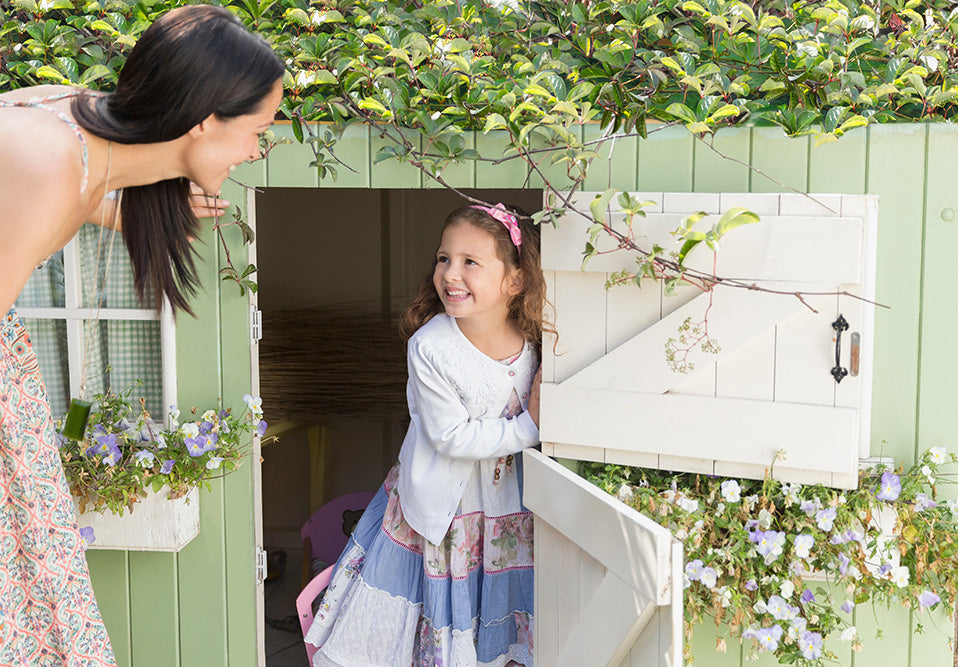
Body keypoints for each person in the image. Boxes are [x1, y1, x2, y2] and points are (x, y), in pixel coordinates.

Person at [0, 5, 283, 663]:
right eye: (256, 131)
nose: (253, 151)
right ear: (206, 119)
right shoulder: (51, 159)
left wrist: (121, 213)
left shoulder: (74, 136)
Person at [304, 203, 550, 666]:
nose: (451, 274)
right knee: (441, 620)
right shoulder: (432, 347)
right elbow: (452, 437)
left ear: (515, 281)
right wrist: (529, 428)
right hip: (446, 513)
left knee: (502, 621)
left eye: (470, 262)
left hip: (507, 508)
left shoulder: (534, 341)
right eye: (444, 259)